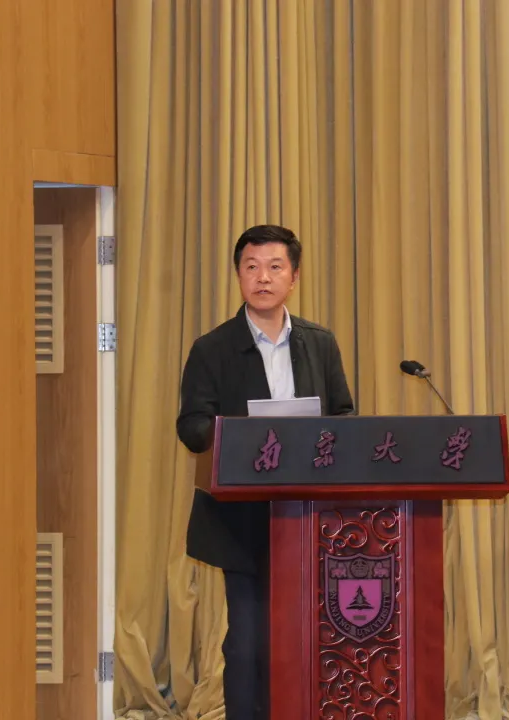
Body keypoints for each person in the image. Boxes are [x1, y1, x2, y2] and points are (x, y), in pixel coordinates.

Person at [176, 224, 355, 720]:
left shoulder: (320, 343)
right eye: (251, 267)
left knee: (301, 636)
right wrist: (240, 438)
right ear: (238, 275)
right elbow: (191, 426)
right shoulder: (212, 348)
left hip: (307, 515)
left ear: (294, 277)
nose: (263, 278)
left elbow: (343, 415)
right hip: (241, 517)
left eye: (275, 267)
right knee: (249, 640)